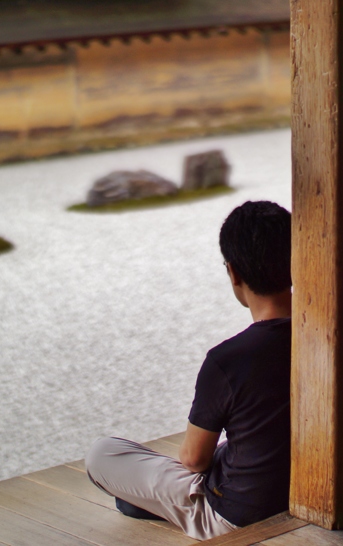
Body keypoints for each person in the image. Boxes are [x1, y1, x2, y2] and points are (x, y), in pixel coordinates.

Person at [85, 200, 293, 540]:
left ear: (233, 272)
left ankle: (153, 503)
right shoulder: (327, 333)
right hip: (302, 485)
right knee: (233, 445)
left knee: (103, 453)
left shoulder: (228, 359)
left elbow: (194, 460)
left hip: (238, 514)